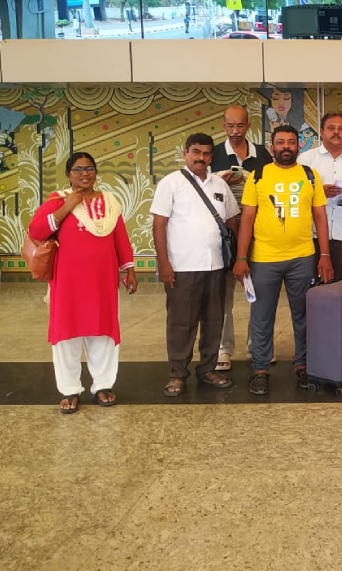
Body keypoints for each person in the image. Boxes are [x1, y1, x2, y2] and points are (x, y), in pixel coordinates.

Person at [28, 152, 138, 413]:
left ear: (96, 172)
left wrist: (129, 270)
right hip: (67, 282)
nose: (84, 173)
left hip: (103, 281)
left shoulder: (109, 201)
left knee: (102, 332)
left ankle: (103, 385)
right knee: (67, 334)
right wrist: (67, 206)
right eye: (78, 169)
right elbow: (36, 231)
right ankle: (70, 389)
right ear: (68, 174)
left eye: (89, 168)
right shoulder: (58, 200)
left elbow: (120, 238)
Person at [231, 125, 334, 395]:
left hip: (302, 257)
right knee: (262, 316)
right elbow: (247, 220)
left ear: (298, 146)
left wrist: (324, 255)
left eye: (291, 142)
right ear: (272, 147)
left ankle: (303, 366)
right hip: (264, 258)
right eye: (280, 142)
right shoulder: (258, 176)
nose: (286, 147)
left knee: (304, 315)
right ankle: (260, 370)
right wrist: (241, 257)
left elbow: (320, 217)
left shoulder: (310, 176)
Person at [151, 133, 238, 397]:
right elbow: (159, 225)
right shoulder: (171, 183)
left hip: (216, 266)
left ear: (211, 156)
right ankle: (177, 374)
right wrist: (164, 264)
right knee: (181, 323)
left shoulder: (220, 185)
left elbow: (231, 220)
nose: (201, 158)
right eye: (196, 152)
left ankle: (208, 369)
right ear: (185, 153)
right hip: (182, 266)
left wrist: (234, 255)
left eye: (206, 153)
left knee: (214, 320)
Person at [211, 104, 272, 371]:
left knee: (258, 293)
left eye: (240, 126)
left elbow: (271, 189)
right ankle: (223, 349)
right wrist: (220, 181)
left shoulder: (262, 155)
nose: (235, 131)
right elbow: (199, 188)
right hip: (222, 234)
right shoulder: (213, 154)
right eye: (230, 126)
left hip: (257, 232)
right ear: (223, 125)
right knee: (223, 295)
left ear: (248, 126)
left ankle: (256, 346)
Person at [299, 112, 342, 282]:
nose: (336, 132)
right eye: (331, 128)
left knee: (340, 285)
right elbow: (295, 195)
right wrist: (319, 191)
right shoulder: (306, 160)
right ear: (322, 131)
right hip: (311, 235)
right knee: (313, 286)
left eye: (341, 129)